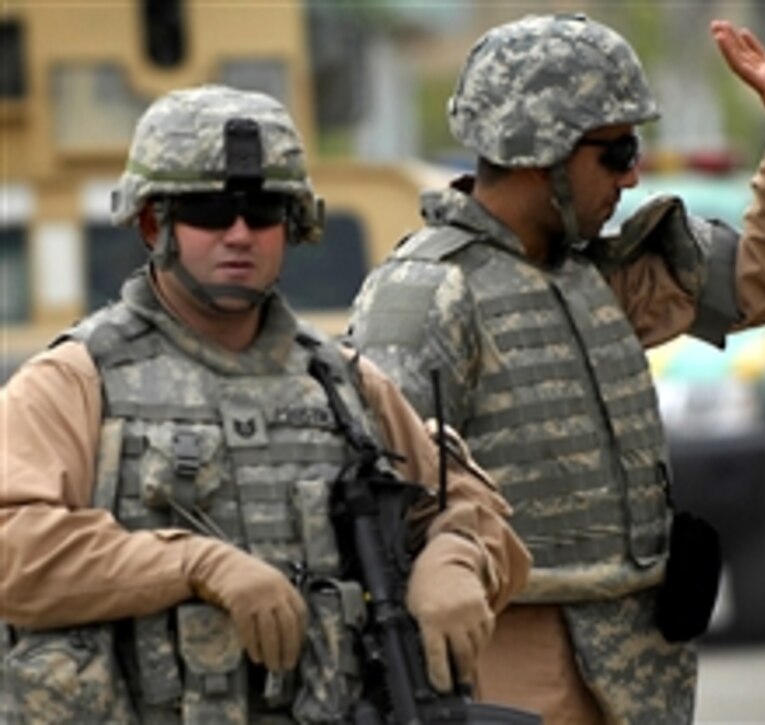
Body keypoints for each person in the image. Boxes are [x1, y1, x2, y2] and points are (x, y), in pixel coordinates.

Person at [347, 13, 765, 724]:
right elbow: (383, 495)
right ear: (539, 150)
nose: (631, 173)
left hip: (630, 664)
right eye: (615, 152)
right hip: (515, 662)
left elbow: (762, 273)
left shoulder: (591, 278)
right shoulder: (428, 294)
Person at [0, 84, 531, 723]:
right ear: (153, 224)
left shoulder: (343, 383)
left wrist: (455, 559)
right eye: (210, 212)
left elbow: (468, 510)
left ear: (295, 225)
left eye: (263, 211)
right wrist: (192, 563)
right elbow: (13, 547)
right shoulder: (77, 381)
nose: (240, 233)